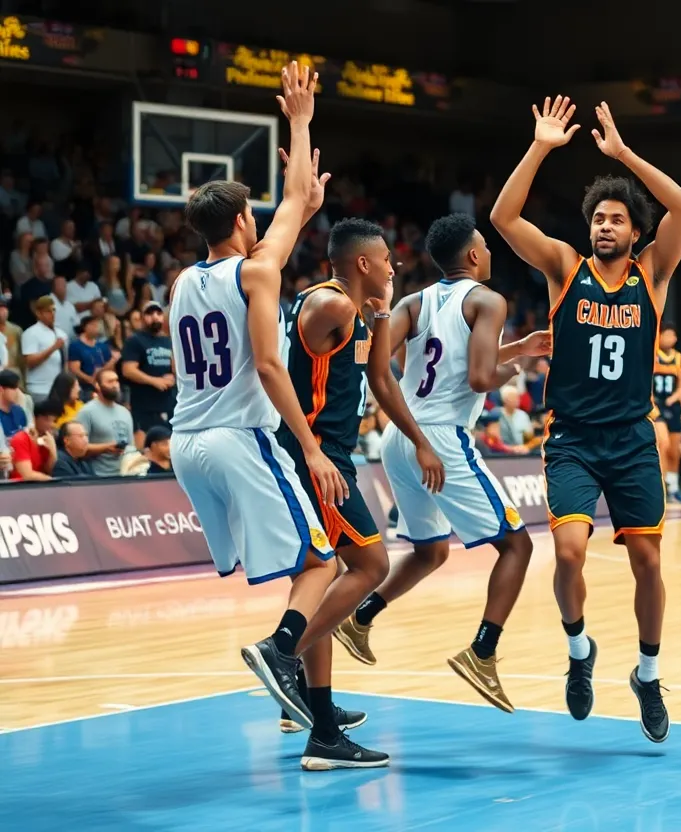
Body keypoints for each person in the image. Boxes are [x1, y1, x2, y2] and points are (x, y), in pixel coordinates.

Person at [169, 63, 366, 769]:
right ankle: (279, 653)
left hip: (184, 444)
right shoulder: (255, 272)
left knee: (298, 565)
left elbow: (285, 219)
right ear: (241, 223)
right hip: (237, 438)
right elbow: (269, 364)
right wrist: (310, 449)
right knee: (321, 561)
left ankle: (317, 717)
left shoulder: (180, 282)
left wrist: (301, 203)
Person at [491, 95, 681, 742]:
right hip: (573, 439)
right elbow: (502, 217)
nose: (605, 227)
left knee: (649, 564)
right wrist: (542, 146)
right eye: (598, 219)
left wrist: (623, 156)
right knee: (570, 553)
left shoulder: (653, 274)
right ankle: (580, 654)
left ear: (636, 232)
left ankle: (649, 674)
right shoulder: (563, 268)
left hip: (633, 438)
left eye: (617, 220)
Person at [342, 213, 545, 713]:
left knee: (432, 551)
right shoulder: (489, 300)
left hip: (398, 436)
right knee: (517, 547)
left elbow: (373, 358)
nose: (491, 253)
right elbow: (478, 378)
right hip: (441, 441)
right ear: (474, 255)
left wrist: (516, 345)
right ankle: (483, 651)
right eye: (487, 247)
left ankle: (359, 618)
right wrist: (516, 366)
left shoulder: (413, 302)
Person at [276, 216, 446, 756]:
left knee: (319, 582)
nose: (395, 267)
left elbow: (380, 378)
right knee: (370, 567)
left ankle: (319, 721)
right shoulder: (329, 305)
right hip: (319, 459)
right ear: (363, 264)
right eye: (387, 261)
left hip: (332, 456)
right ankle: (281, 659)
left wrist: (381, 315)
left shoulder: (357, 313)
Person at [121, 300, 175, 448]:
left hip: (168, 403)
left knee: (168, 447)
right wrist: (154, 381)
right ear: (142, 318)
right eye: (150, 313)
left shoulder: (168, 341)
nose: (155, 317)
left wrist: (174, 377)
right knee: (146, 448)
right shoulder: (135, 340)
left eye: (158, 313)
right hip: (144, 406)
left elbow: (177, 367)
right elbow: (128, 370)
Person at [653, 324, 681, 503]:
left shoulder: (679, 358)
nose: (670, 339)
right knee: (663, 444)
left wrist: (679, 401)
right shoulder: (653, 354)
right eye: (666, 335)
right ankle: (662, 485)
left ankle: (674, 487)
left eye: (673, 336)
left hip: (673, 405)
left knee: (674, 450)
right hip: (657, 404)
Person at [75, 368, 134, 477]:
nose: (115, 385)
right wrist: (105, 448)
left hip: (125, 475)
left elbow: (131, 446)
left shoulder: (125, 412)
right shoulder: (87, 411)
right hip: (98, 476)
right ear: (97, 385)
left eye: (116, 381)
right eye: (110, 382)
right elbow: (77, 448)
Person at [20, 296, 66, 402]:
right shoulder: (31, 333)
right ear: (38, 313)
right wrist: (53, 348)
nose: (52, 314)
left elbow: (64, 361)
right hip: (39, 388)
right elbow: (30, 362)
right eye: (48, 311)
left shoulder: (61, 333)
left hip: (58, 388)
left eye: (54, 310)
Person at [67, 313, 114, 400]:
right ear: (85, 327)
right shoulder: (75, 346)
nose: (96, 328)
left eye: (97, 325)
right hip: (85, 389)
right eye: (93, 325)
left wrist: (102, 371)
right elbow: (74, 369)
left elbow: (111, 365)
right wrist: (90, 379)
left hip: (103, 387)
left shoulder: (102, 346)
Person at [9, 400, 57, 481]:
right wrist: (53, 482)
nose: (51, 424)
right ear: (35, 419)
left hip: (40, 487)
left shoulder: (48, 439)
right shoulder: (21, 439)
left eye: (54, 421)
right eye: (47, 419)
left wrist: (53, 453)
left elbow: (47, 470)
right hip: (20, 488)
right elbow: (27, 475)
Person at [0, 369, 28, 437]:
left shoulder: (19, 411)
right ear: (1, 389)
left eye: (18, 387)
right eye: (13, 388)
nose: (17, 391)